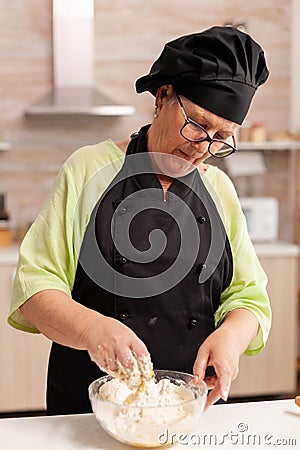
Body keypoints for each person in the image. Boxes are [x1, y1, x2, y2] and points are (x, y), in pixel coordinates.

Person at [8, 25, 271, 415]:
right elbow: (35, 288)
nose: (202, 149)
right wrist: (91, 329)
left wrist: (231, 337)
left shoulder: (219, 189)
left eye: (221, 138)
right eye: (197, 125)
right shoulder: (89, 168)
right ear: (163, 96)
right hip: (88, 408)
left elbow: (249, 297)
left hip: (184, 406)